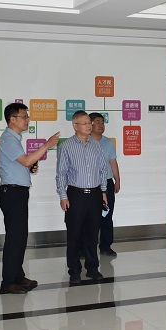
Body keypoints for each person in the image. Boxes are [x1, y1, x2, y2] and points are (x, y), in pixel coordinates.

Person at [0, 102, 59, 294]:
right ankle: (8, 282)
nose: (27, 120)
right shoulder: (8, 139)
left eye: (27, 117)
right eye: (24, 117)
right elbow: (25, 160)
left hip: (17, 192)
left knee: (20, 237)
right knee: (15, 238)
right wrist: (46, 145)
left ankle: (17, 276)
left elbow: (23, 163)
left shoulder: (14, 139)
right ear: (12, 119)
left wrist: (29, 167)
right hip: (12, 193)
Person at [57, 110, 109, 284]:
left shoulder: (96, 145)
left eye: (89, 123)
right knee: (74, 234)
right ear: (75, 126)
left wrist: (103, 191)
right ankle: (74, 270)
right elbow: (61, 174)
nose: (89, 126)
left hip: (95, 194)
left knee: (92, 233)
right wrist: (63, 196)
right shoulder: (66, 146)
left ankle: (92, 268)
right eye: (85, 123)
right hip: (75, 195)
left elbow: (103, 169)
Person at [88, 112, 121, 256]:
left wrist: (117, 180)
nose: (101, 125)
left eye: (102, 122)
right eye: (98, 122)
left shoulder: (108, 142)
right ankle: (85, 248)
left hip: (107, 183)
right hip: (90, 184)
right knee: (89, 218)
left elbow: (113, 162)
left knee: (107, 216)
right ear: (90, 124)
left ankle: (106, 246)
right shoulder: (85, 141)